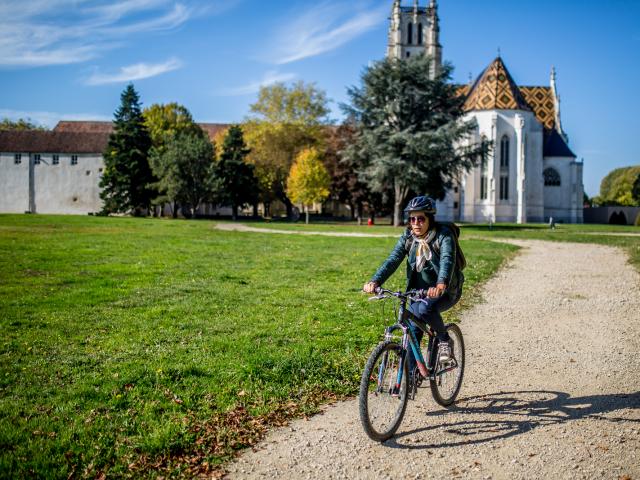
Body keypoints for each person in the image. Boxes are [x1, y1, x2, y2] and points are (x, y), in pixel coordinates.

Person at [363, 196, 464, 374]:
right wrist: (375, 281)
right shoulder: (408, 237)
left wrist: (441, 284)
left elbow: (448, 260)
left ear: (430, 219)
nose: (415, 223)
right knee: (412, 329)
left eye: (420, 218)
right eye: (412, 219)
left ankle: (444, 340)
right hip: (419, 292)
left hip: (446, 290)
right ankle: (411, 376)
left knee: (425, 311)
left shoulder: (443, 235)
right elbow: (393, 259)